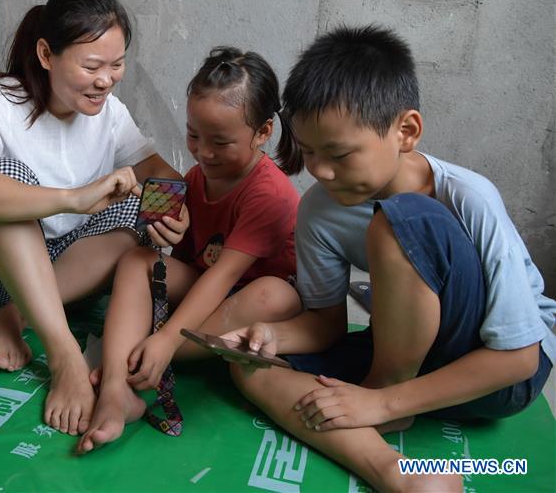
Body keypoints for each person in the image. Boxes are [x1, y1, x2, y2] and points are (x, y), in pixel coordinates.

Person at [222, 25, 555, 492]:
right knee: (250, 368)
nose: (319, 169)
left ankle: (385, 401)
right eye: (309, 151)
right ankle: (397, 472)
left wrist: (381, 402)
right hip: (408, 354)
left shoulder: (470, 196)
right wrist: (269, 336)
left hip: (496, 369)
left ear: (406, 131)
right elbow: (326, 324)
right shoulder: (321, 208)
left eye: (337, 153)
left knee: (402, 218)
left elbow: (519, 358)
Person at [0, 0, 184, 436]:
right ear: (47, 54)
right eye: (91, 66)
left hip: (62, 276)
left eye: (116, 65)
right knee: (11, 176)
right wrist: (73, 197)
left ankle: (17, 315)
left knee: (136, 210)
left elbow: (157, 169)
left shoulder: (109, 112)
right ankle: (64, 354)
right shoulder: (0, 100)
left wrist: (171, 209)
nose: (105, 80)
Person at [78, 47, 302, 453]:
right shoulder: (193, 179)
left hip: (253, 303)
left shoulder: (270, 193)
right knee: (136, 259)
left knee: (273, 294)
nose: (204, 152)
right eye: (193, 135)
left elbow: (223, 276)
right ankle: (116, 389)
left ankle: (145, 361)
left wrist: (164, 342)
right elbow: (174, 258)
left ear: (264, 132)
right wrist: (163, 234)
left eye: (221, 141)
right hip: (206, 293)